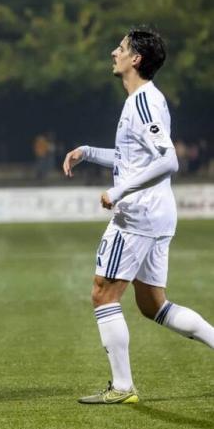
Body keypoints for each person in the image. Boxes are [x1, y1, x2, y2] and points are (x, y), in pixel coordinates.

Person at [63, 27, 214, 404]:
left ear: (136, 60)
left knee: (103, 294)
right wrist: (88, 152)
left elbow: (168, 160)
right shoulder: (144, 101)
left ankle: (122, 387)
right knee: (153, 305)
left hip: (138, 215)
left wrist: (118, 191)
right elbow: (136, 161)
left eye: (121, 48)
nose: (114, 52)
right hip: (158, 212)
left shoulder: (143, 101)